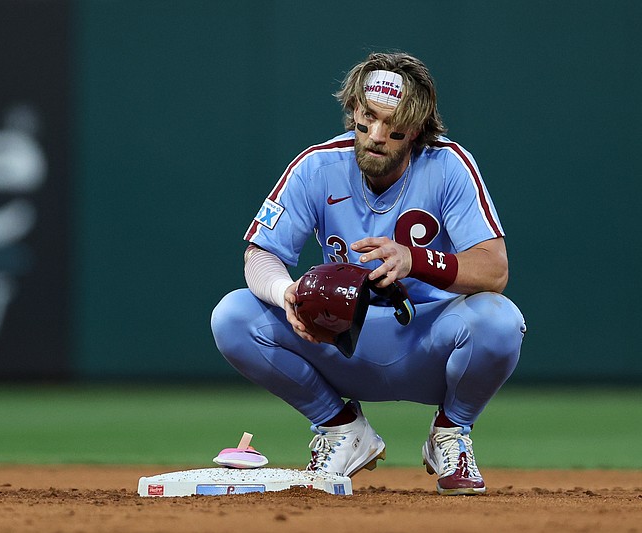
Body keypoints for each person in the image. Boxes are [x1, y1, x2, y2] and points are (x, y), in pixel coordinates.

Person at [211, 52, 526, 496]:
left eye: (393, 126)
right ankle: (340, 428)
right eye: (367, 119)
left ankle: (451, 434)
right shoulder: (317, 166)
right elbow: (260, 255)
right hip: (339, 341)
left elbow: (495, 269)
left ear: (417, 128)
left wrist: (414, 259)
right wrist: (288, 292)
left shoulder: (449, 164)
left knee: (500, 320)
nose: (376, 136)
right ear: (354, 110)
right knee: (233, 315)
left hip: (427, 341)